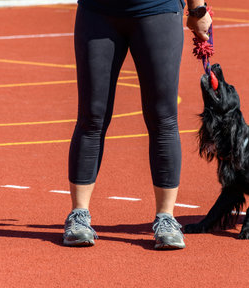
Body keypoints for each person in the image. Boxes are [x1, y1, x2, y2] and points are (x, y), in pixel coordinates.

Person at [62, 0, 212, 249]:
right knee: (92, 117)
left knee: (163, 118)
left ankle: (166, 218)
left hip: (158, 10)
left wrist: (198, 9)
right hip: (97, 12)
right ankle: (78, 217)